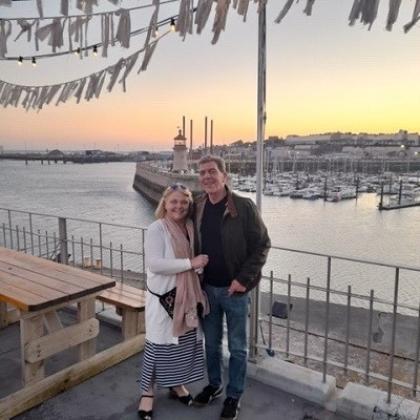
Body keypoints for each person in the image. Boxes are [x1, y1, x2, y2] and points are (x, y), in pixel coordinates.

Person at [193, 155, 271, 420]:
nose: (207, 177)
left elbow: (262, 245)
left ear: (225, 176)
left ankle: (234, 396)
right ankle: (214, 385)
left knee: (238, 348)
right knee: (211, 345)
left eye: (212, 171)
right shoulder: (199, 206)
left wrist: (243, 280)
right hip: (208, 291)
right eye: (202, 172)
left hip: (235, 291)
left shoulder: (244, 206)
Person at [138, 184, 210, 420]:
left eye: (184, 202)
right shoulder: (157, 228)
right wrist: (192, 264)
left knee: (182, 342)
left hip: (186, 297)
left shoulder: (189, 227)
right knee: (158, 345)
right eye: (174, 202)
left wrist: (195, 270)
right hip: (163, 300)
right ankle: (147, 393)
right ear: (165, 204)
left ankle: (176, 384)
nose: (179, 206)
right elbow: (155, 264)